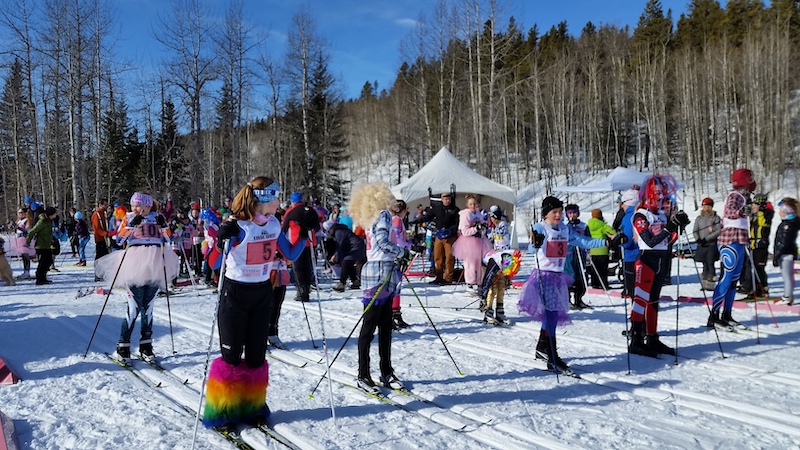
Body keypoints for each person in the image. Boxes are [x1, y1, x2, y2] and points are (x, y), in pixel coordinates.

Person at [203, 177, 306, 429]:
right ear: (264, 199)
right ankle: (222, 411)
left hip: (262, 293)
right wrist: (219, 240)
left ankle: (253, 407)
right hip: (235, 294)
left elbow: (289, 254)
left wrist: (305, 234)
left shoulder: (272, 223)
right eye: (276, 197)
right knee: (231, 355)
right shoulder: (238, 226)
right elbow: (213, 264)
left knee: (257, 357)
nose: (279, 201)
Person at [521, 196, 618, 373]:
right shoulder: (540, 227)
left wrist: (607, 242)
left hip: (558, 277)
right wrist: (537, 242)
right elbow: (531, 249)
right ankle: (552, 357)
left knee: (553, 314)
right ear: (546, 214)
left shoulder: (565, 229)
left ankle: (542, 347)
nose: (558, 215)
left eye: (560, 212)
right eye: (554, 212)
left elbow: (584, 242)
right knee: (551, 316)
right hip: (544, 276)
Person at [96, 193, 179, 362]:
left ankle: (146, 346)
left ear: (148, 206)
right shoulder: (128, 218)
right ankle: (123, 345)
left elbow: (168, 238)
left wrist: (164, 226)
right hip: (134, 264)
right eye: (133, 205)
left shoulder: (158, 218)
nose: (135, 209)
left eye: (139, 206)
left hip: (155, 264)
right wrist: (131, 225)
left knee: (148, 308)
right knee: (134, 308)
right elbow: (118, 240)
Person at [349, 182, 412, 394]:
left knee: (381, 325)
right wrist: (402, 253)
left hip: (373, 271)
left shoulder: (368, 218)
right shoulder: (383, 215)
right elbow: (384, 243)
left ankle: (383, 371)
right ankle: (365, 374)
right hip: (382, 272)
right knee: (375, 326)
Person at [627, 175, 688, 357]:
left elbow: (667, 240)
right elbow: (649, 240)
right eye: (656, 194)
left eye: (662, 194)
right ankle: (636, 339)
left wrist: (678, 227)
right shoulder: (641, 215)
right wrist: (670, 227)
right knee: (640, 301)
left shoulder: (660, 214)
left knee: (654, 300)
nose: (660, 198)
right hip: (646, 259)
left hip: (661, 260)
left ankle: (652, 337)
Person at [708, 168, 756, 330]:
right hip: (730, 240)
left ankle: (726, 314)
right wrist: (743, 211)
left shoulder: (745, 197)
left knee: (734, 280)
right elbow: (730, 212)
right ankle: (714, 316)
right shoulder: (735, 195)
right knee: (726, 278)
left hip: (740, 240)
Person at [412, 192, 460, 285]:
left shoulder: (455, 210)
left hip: (450, 237)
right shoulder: (437, 209)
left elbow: (457, 223)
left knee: (449, 257)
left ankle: (448, 278)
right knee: (438, 257)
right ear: (442, 200)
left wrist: (451, 230)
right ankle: (438, 277)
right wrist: (416, 221)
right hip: (439, 236)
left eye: (449, 199)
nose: (447, 201)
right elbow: (427, 217)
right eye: (445, 199)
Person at [281, 192, 320, 302]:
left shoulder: (291, 212)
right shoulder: (311, 210)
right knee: (307, 268)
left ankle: (301, 291)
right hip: (310, 242)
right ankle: (307, 290)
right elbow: (317, 227)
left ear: (293, 202)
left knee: (298, 269)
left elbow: (284, 229)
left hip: (297, 243)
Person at [452, 194, 492, 292]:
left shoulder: (478, 214)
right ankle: (470, 282)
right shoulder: (466, 215)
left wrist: (482, 229)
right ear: (467, 205)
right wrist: (476, 228)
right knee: (470, 263)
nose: (473, 206)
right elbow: (465, 231)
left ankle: (479, 282)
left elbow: (483, 227)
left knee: (479, 263)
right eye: (471, 204)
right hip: (468, 241)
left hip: (479, 241)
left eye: (475, 204)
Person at [739, 194, 774, 299]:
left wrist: (756, 212)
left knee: (759, 267)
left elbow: (764, 223)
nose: (753, 207)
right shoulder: (755, 214)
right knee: (752, 266)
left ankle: (763, 288)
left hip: (761, 244)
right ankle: (753, 288)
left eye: (756, 205)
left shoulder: (767, 213)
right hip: (753, 244)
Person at [478, 249, 522, 324]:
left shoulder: (511, 259)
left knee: (501, 287)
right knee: (493, 289)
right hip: (488, 265)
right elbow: (487, 281)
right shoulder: (494, 262)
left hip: (501, 266)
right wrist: (483, 297)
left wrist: (507, 279)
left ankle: (500, 313)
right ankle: (488, 312)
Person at [563, 204, 591, 310]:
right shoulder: (565, 227)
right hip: (569, 255)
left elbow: (588, 238)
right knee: (569, 277)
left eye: (574, 213)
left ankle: (579, 299)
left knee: (581, 277)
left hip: (581, 254)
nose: (572, 215)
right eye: (570, 213)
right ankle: (568, 300)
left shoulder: (583, 226)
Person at [773, 197, 799, 305]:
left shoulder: (788, 225)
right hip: (787, 253)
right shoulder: (789, 222)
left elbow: (783, 242)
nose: (779, 212)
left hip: (786, 254)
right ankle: (788, 296)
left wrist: (777, 255)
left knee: (787, 276)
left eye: (781, 210)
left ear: (786, 211)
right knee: (788, 276)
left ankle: (787, 297)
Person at [693, 197, 722, 291]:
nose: (705, 207)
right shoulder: (699, 218)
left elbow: (718, 230)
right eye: (704, 205)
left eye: (707, 205)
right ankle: (704, 283)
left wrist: (707, 239)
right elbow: (695, 230)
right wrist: (698, 239)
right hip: (702, 244)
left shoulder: (715, 217)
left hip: (711, 244)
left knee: (710, 262)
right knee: (704, 263)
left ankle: (711, 283)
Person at [329, 222, 366, 292]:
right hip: (357, 246)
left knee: (345, 262)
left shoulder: (338, 232)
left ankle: (342, 283)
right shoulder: (340, 230)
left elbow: (340, 246)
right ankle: (355, 281)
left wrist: (336, 257)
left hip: (356, 247)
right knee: (349, 263)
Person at [26, 206, 58, 285]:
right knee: (43, 262)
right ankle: (39, 278)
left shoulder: (49, 220)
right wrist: (28, 241)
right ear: (50, 214)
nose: (56, 215)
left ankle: (43, 277)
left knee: (49, 261)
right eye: (55, 213)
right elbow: (32, 231)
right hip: (41, 245)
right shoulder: (42, 221)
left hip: (47, 245)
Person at [587, 209, 616, 289]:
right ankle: (603, 284)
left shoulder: (588, 225)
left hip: (593, 250)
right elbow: (613, 232)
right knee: (603, 269)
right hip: (603, 250)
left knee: (594, 269)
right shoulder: (603, 225)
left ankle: (594, 284)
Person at [92, 199, 111, 276]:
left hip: (105, 239)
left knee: (105, 257)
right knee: (100, 257)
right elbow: (97, 229)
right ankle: (98, 274)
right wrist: (106, 233)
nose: (107, 206)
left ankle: (103, 273)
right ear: (101, 205)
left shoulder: (104, 214)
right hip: (100, 239)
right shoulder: (97, 214)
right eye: (105, 205)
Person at [15, 207, 34, 279]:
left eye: (21, 213)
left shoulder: (27, 220)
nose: (19, 214)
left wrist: (19, 228)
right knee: (23, 255)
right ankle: (25, 271)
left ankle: (27, 271)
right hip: (19, 238)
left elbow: (27, 230)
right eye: (18, 213)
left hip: (24, 238)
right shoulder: (19, 221)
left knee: (26, 255)